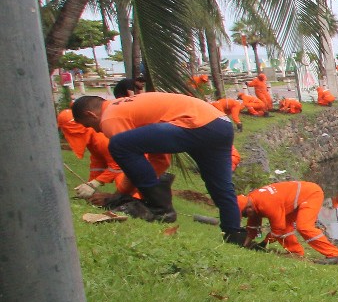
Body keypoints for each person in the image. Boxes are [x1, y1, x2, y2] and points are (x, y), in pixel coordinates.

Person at [71, 92, 242, 241]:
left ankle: (160, 208)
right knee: (221, 188)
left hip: (196, 124)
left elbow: (130, 160)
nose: (97, 131)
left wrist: (118, 197)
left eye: (89, 125)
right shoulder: (126, 106)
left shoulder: (110, 117)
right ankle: (234, 235)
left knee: (118, 144)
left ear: (91, 114)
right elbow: (159, 160)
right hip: (221, 124)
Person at [238, 181, 338, 262]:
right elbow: (253, 227)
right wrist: (246, 245)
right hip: (294, 198)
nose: (246, 217)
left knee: (304, 227)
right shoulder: (252, 202)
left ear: (249, 209)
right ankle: (295, 252)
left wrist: (264, 243)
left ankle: (333, 254)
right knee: (286, 227)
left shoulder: (267, 204)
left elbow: (278, 230)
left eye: (245, 215)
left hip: (311, 194)